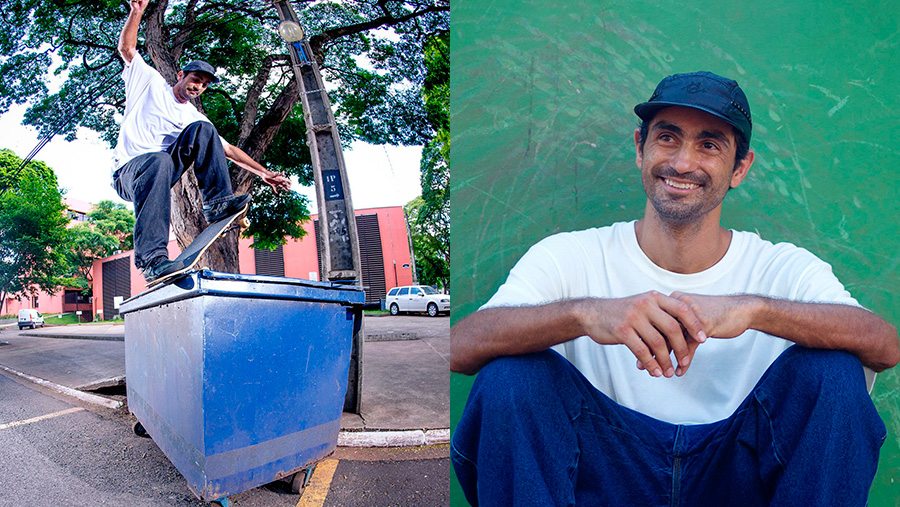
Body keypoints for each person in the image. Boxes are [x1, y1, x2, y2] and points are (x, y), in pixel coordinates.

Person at [450, 71, 899, 506]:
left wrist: (752, 311)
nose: (683, 162)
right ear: (640, 148)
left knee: (834, 375)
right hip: (603, 477)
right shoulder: (569, 257)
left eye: (709, 145)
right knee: (511, 378)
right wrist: (586, 315)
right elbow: (461, 347)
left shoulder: (781, 267)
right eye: (667, 137)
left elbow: (883, 345)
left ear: (740, 167)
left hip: (735, 479)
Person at [111, 0, 291, 283]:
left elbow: (229, 150)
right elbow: (127, 50)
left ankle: (218, 202)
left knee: (204, 130)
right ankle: (152, 260)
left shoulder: (191, 115)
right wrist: (137, 13)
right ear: (181, 75)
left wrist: (266, 174)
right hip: (128, 174)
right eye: (195, 80)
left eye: (205, 85)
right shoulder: (149, 81)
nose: (198, 87)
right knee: (157, 159)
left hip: (160, 173)